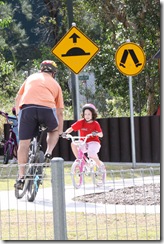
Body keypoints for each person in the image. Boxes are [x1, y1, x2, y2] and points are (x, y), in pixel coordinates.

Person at [14, 60, 64, 190]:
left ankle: (21, 177)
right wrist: (59, 132)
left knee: (24, 144)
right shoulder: (56, 84)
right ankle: (48, 152)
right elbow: (60, 112)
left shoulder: (30, 78)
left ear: (41, 70)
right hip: (47, 109)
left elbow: (17, 98)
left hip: (27, 109)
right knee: (53, 130)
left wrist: (19, 115)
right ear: (53, 73)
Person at [64, 103, 104, 168]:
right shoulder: (81, 122)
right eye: (85, 114)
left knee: (91, 154)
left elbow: (101, 135)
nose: (87, 116)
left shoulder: (95, 123)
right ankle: (81, 161)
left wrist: (96, 133)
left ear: (93, 115)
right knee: (73, 144)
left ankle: (100, 166)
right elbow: (71, 128)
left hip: (94, 142)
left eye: (89, 114)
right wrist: (65, 133)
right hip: (83, 142)